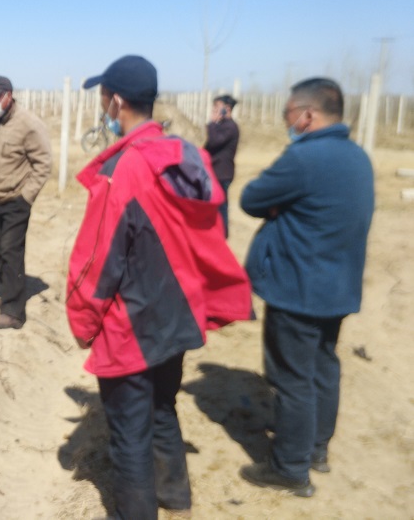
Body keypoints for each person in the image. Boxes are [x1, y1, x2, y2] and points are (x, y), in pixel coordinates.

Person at [66, 55, 252, 520]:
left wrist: (83, 321)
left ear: (117, 101)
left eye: (103, 97)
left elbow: (98, 257)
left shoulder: (125, 169)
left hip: (133, 322)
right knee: (162, 407)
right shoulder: (185, 155)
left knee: (130, 436)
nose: (102, 106)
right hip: (176, 313)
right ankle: (176, 499)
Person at [239, 77, 374, 497]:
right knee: (323, 369)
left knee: (292, 379)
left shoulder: (304, 158)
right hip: (337, 287)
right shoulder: (358, 157)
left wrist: (281, 206)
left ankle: (290, 468)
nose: (287, 122)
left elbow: (251, 198)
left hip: (298, 288)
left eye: (288, 114)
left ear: (307, 115)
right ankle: (317, 449)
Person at [0, 75, 52, 330]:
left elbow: (43, 163)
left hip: (15, 201)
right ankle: (7, 294)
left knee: (12, 252)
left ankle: (14, 313)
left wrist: (26, 196)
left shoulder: (28, 124)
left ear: (8, 96)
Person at [203, 94, 240, 236]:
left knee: (221, 207)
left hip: (222, 174)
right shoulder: (222, 126)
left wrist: (212, 123)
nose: (213, 110)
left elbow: (213, 142)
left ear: (227, 109)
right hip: (216, 172)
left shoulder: (230, 127)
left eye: (216, 107)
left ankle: (223, 235)